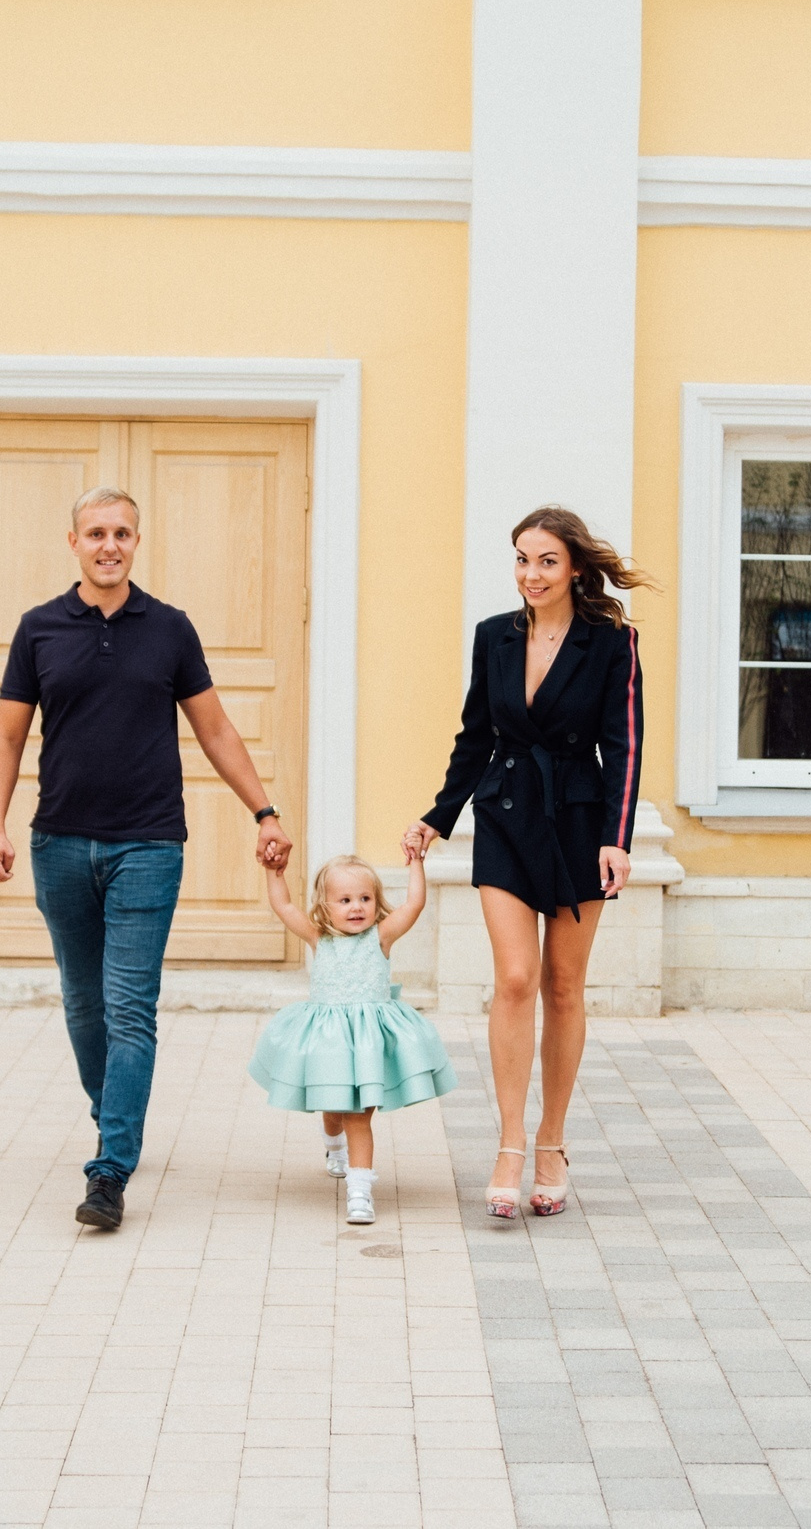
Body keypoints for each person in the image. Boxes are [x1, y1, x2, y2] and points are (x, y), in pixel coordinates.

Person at [0, 485, 293, 1234]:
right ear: (73, 541)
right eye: (95, 533)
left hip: (149, 844)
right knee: (84, 1003)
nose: (109, 544)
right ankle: (112, 1112)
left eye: (122, 532)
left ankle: (110, 1167)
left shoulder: (170, 629)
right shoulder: (40, 629)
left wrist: (265, 808)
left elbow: (214, 730)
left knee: (129, 1008)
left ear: (137, 541)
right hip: (60, 843)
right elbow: (6, 737)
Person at [405, 505, 650, 1221]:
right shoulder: (494, 637)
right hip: (507, 815)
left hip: (578, 822)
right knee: (515, 978)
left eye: (546, 560)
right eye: (521, 558)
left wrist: (618, 835)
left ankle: (552, 1141)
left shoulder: (612, 642)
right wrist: (438, 816)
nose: (531, 573)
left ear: (574, 565)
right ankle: (509, 1142)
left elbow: (625, 745)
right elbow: (474, 736)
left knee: (564, 986)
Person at [246, 846, 456, 1225]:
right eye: (344, 900)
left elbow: (413, 905)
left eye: (365, 898)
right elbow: (285, 907)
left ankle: (360, 1191)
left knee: (358, 1115)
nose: (356, 907)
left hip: (367, 1046)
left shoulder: (381, 937)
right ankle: (333, 1147)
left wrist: (417, 864)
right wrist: (274, 873)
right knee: (333, 1110)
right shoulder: (319, 939)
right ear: (325, 908)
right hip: (330, 1045)